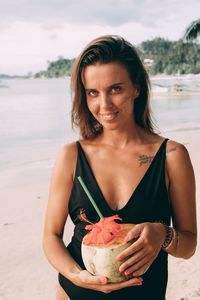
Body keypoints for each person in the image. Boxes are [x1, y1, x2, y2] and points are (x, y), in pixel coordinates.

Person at [43, 35, 197, 300]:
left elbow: (189, 245)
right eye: (93, 92)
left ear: (136, 88)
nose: (104, 105)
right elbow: (51, 236)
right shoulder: (71, 156)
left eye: (115, 89)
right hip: (73, 294)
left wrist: (163, 234)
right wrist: (76, 275)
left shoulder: (172, 156)